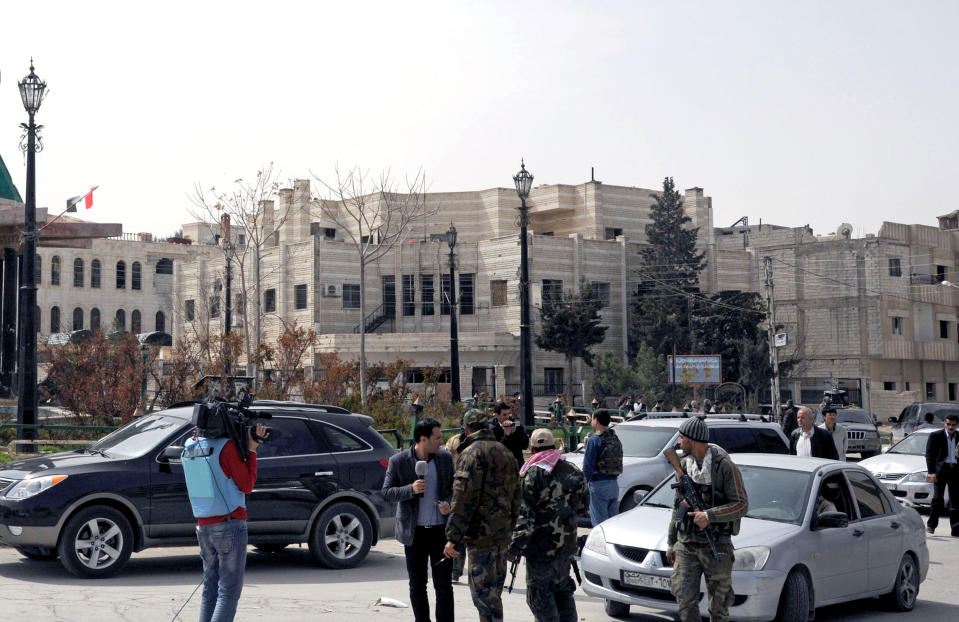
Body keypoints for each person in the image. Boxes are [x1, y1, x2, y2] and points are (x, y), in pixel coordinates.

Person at [181, 413, 268, 622]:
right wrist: (252, 450)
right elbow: (246, 484)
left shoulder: (190, 445)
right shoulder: (226, 447)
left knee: (210, 590)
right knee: (228, 592)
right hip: (229, 524)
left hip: (204, 526)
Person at [667, 418, 748, 622]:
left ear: (693, 440)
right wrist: (671, 542)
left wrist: (710, 516)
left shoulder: (724, 467)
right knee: (684, 602)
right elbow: (678, 507)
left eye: (682, 437)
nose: (679, 442)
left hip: (716, 545)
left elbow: (741, 504)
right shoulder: (684, 465)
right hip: (687, 544)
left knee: (719, 608)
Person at [444, 409, 521, 622]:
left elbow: (462, 500)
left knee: (483, 597)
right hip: (502, 536)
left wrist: (453, 536)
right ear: (487, 427)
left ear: (466, 429)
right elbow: (517, 497)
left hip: (481, 538)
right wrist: (511, 530)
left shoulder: (470, 454)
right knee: (494, 594)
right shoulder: (506, 452)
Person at [508, 429, 589, 622]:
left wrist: (515, 547)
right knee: (562, 591)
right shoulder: (574, 471)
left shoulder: (532, 475)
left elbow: (525, 517)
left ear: (532, 449)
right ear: (554, 446)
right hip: (565, 547)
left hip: (540, 551)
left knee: (539, 598)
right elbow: (584, 505)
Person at [383, 418, 455, 622]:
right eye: (437, 437)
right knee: (417, 585)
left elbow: (454, 490)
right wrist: (410, 490)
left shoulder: (445, 459)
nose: (441, 441)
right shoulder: (398, 461)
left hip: (440, 532)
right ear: (423, 439)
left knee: (443, 585)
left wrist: (449, 503)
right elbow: (386, 492)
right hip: (414, 533)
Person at [582, 409, 622, 525]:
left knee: (600, 526)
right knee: (612, 523)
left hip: (598, 485)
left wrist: (583, 486)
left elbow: (588, 467)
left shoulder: (594, 440)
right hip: (614, 485)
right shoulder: (615, 438)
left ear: (596, 420)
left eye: (592, 419)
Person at [925, 413, 959, 536]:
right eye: (948, 424)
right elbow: (929, 455)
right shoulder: (935, 436)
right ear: (944, 423)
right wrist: (931, 472)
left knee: (955, 501)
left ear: (957, 425)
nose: (950, 427)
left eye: (953, 425)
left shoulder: (958, 436)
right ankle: (931, 525)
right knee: (937, 499)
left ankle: (956, 529)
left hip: (955, 471)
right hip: (940, 471)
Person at [490, 400, 529, 467]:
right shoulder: (491, 427)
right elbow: (496, 450)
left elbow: (525, 445)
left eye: (509, 414)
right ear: (496, 415)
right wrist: (506, 435)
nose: (507, 417)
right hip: (499, 465)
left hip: (516, 463)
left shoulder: (516, 424)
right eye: (504, 415)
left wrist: (515, 433)